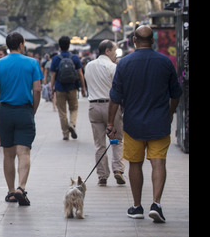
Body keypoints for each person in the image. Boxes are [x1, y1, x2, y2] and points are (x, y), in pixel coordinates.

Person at [107, 25, 182, 223]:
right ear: (153, 41)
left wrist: (109, 123)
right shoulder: (165, 63)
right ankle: (156, 203)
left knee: (135, 164)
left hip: (133, 123)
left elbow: (115, 98)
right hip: (159, 122)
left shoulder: (124, 64)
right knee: (158, 162)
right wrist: (170, 112)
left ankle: (137, 206)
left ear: (133, 40)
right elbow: (176, 94)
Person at [0, 32, 42, 206]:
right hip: (24, 111)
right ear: (22, 44)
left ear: (7, 45)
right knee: (24, 152)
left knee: (8, 154)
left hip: (5, 112)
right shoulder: (32, 63)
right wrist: (34, 109)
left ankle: (10, 192)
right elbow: (37, 90)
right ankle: (21, 188)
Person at [84, 40, 124, 186]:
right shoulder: (112, 67)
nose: (115, 54)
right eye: (114, 50)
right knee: (116, 139)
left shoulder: (89, 65)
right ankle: (118, 169)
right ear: (107, 51)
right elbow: (118, 88)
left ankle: (102, 176)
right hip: (111, 106)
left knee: (99, 144)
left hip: (94, 106)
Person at [49, 36, 87, 141]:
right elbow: (80, 73)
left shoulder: (56, 59)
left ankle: (65, 134)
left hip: (60, 88)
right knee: (74, 108)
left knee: (62, 111)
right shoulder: (74, 58)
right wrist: (83, 87)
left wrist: (52, 88)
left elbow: (53, 75)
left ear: (59, 46)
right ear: (69, 45)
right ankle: (72, 124)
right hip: (72, 87)